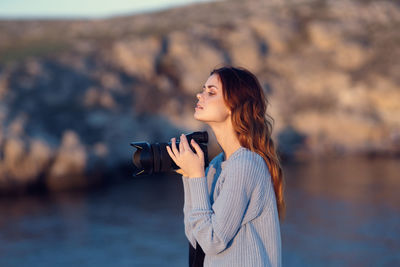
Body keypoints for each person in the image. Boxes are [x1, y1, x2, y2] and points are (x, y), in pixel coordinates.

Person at [166, 65, 285, 267]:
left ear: (233, 106)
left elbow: (213, 241)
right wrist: (189, 177)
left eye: (211, 92)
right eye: (203, 89)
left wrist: (196, 175)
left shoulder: (246, 164)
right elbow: (197, 237)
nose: (199, 94)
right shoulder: (216, 165)